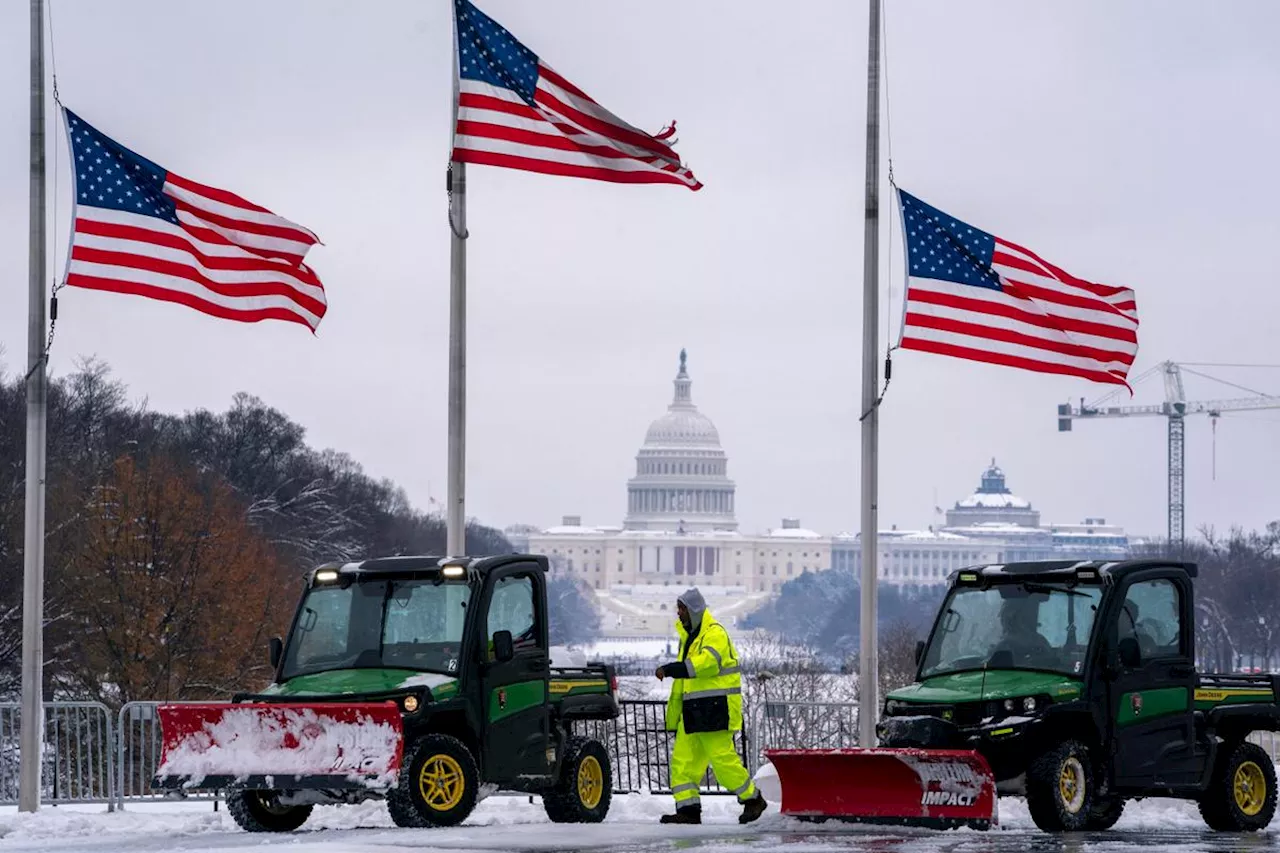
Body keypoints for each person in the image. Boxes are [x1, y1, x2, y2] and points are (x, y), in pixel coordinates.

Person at [654, 587, 766, 825]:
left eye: (682, 609)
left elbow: (707, 663)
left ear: (694, 610)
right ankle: (688, 810)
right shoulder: (691, 638)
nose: (679, 614)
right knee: (683, 763)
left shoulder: (714, 633)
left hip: (716, 709)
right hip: (694, 711)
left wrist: (673, 668)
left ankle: (753, 799)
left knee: (723, 760)